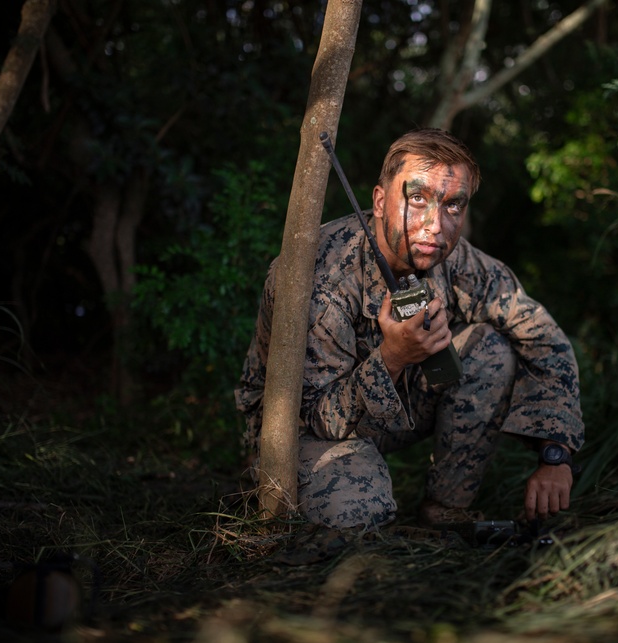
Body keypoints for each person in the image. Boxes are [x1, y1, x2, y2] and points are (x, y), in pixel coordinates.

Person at [235, 127, 584, 530]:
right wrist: (393, 357)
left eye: (454, 205)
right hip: (303, 430)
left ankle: (446, 508)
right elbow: (317, 417)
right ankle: (261, 481)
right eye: (418, 199)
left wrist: (555, 454)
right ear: (381, 202)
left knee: (490, 350)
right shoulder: (320, 277)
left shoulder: (452, 258)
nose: (436, 225)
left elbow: (544, 337)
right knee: (358, 513)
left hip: (389, 411)